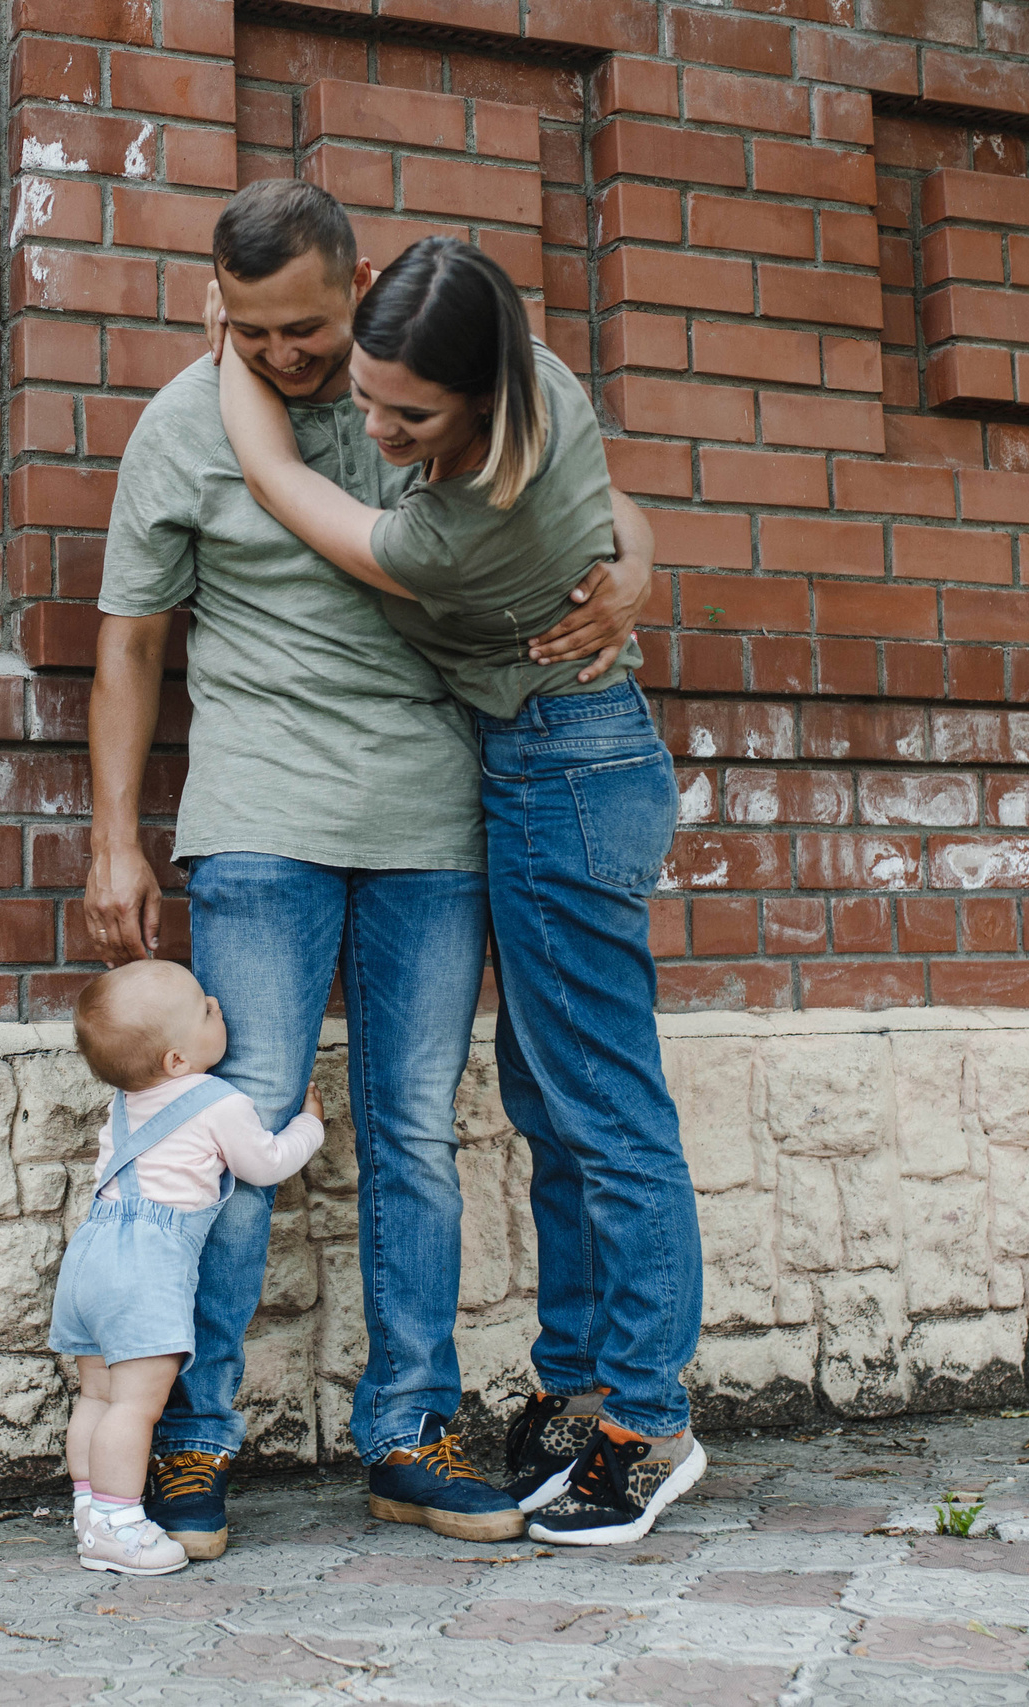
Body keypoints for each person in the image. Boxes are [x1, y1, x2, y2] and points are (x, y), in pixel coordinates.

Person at [84, 178, 658, 1555]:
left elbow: (585, 497)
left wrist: (636, 568)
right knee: (235, 1126)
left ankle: (409, 1427)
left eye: (309, 328)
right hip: (258, 808)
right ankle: (193, 1434)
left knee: (416, 1128)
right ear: (219, 311)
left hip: (429, 810)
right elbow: (131, 639)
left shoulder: (417, 398)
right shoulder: (183, 424)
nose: (288, 356)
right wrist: (113, 835)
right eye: (255, 331)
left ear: (359, 289)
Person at [215, 234, 705, 1546]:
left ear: (484, 397)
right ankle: (581, 1388)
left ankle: (647, 1422)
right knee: (553, 1097)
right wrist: (638, 566)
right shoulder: (538, 369)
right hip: (563, 757)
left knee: (607, 1108)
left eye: (409, 417)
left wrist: (233, 342)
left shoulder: (462, 521)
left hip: (564, 770)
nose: (378, 430)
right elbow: (619, 510)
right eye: (367, 397)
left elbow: (276, 477)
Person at [49, 959, 328, 1575]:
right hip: (145, 1270)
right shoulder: (218, 1100)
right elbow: (265, 1163)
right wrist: (310, 1124)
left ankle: (90, 1511)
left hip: (90, 1256)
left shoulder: (127, 1102)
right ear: (178, 1060)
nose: (218, 1006)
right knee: (136, 1407)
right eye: (206, 1008)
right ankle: (119, 1526)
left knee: (95, 1396)